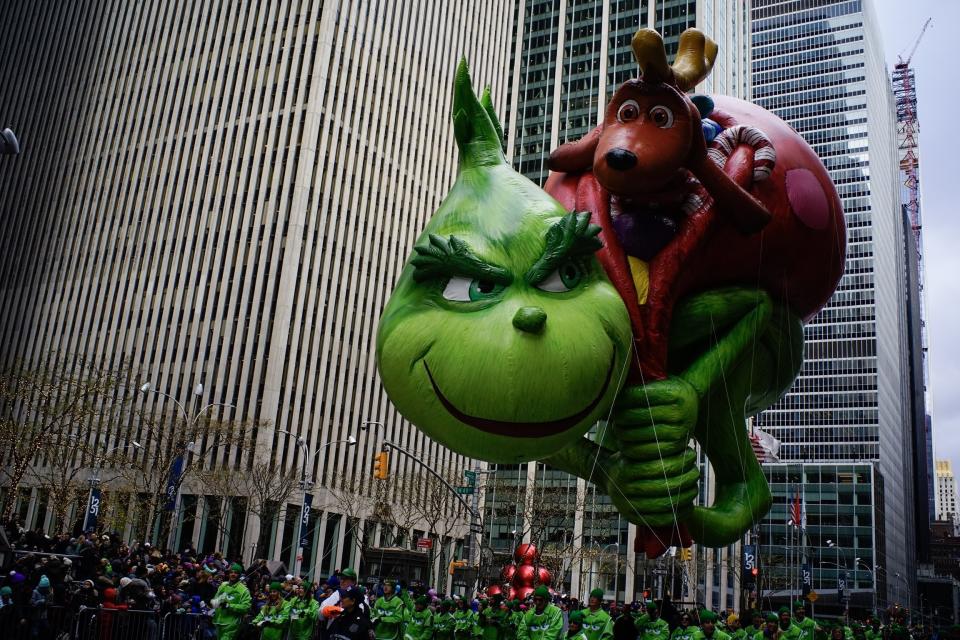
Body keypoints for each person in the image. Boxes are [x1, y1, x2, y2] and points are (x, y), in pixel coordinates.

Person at [211, 564, 251, 640]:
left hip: (231, 624)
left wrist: (229, 606)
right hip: (218, 622)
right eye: (231, 572)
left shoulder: (243, 590)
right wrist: (211, 607)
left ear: (239, 575)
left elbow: (246, 607)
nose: (233, 574)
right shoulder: (223, 585)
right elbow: (216, 600)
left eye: (235, 573)